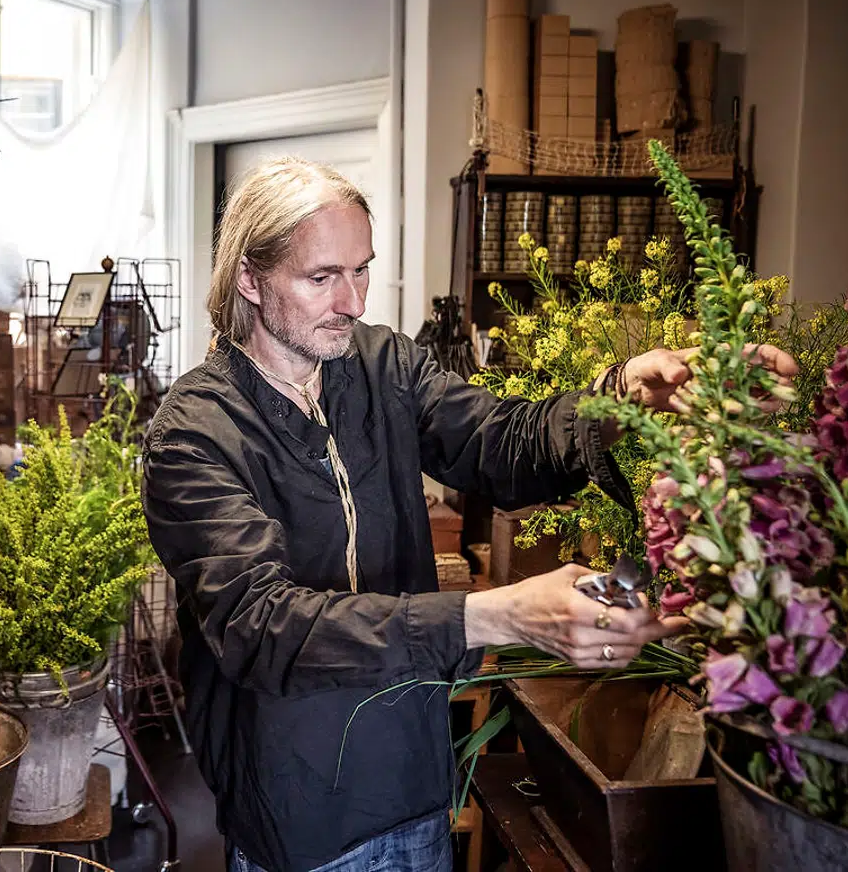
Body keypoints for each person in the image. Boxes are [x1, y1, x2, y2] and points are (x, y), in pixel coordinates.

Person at [141, 158, 797, 872]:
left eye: (361, 270)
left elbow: (500, 444)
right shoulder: (196, 431)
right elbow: (262, 626)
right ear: (249, 278)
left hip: (416, 780)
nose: (354, 301)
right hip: (300, 806)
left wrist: (620, 396)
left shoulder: (383, 366)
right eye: (322, 278)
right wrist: (490, 616)